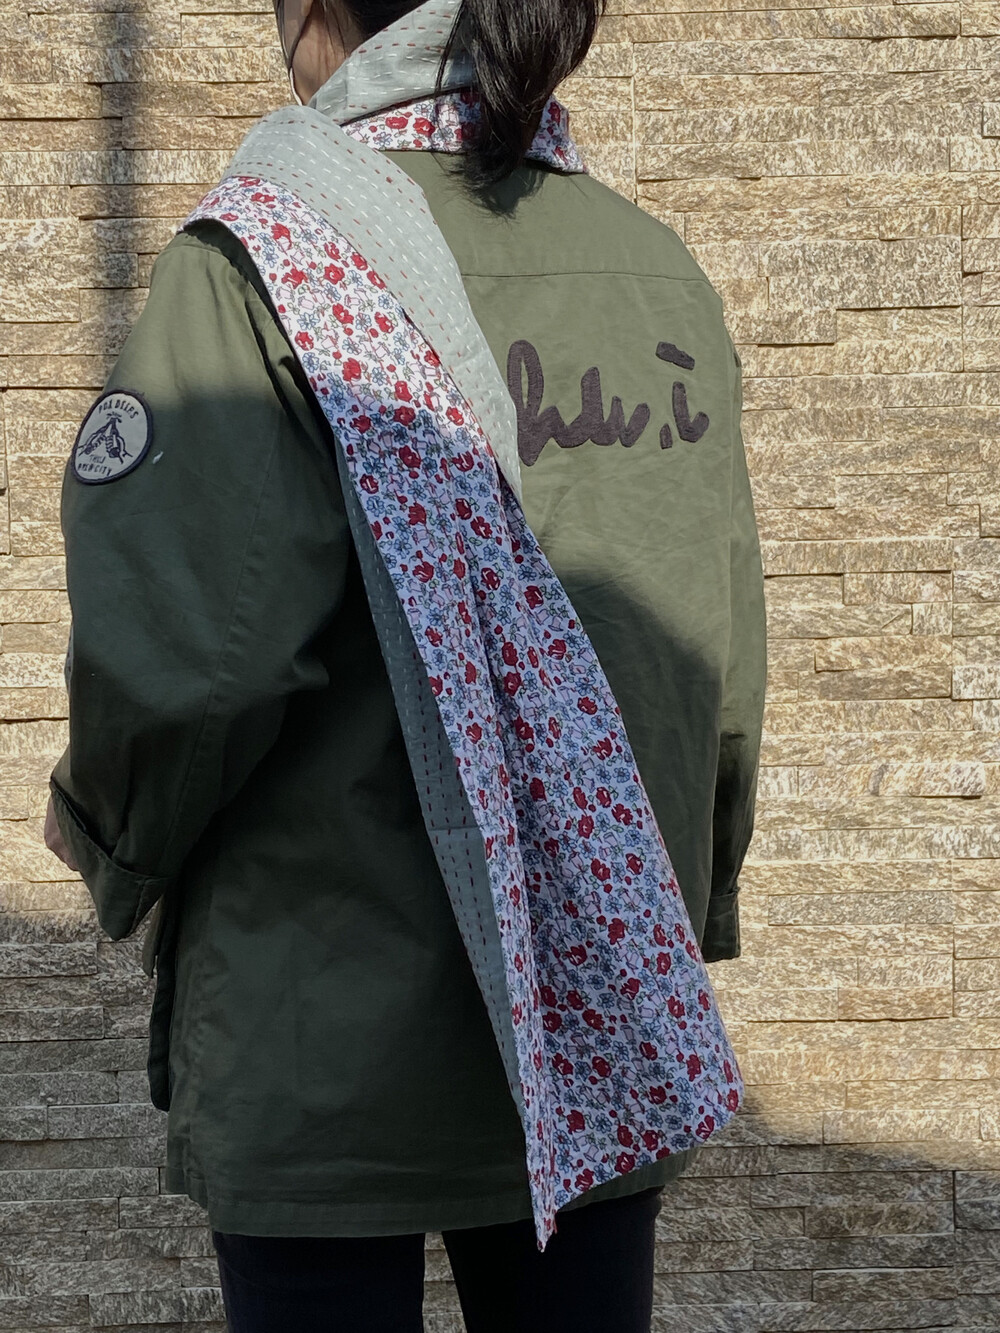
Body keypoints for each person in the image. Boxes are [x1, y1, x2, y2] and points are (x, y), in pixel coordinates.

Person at [43, 0, 767, 1328]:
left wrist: (108, 844)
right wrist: (696, 899)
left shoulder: (258, 262)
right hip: (600, 996)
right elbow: (710, 649)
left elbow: (189, 665)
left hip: (322, 1026)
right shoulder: (654, 272)